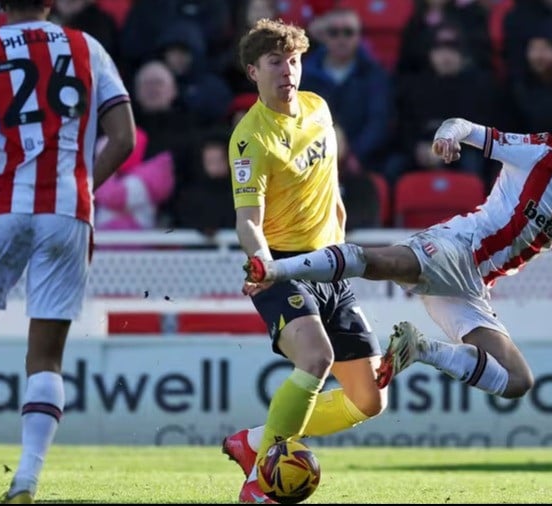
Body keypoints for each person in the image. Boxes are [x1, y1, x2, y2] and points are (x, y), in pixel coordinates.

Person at [244, 90, 552, 402]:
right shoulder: (541, 153)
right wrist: (447, 135)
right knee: (381, 264)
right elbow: (464, 126)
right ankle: (275, 270)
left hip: (474, 287)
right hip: (459, 246)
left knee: (517, 381)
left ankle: (421, 349)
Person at [0, 0, 135, 503]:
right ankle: (24, 482)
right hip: (67, 212)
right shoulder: (88, 48)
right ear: (52, 2)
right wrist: (82, 187)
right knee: (46, 357)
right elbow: (123, 138)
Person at [223, 18, 387, 504]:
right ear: (253, 71)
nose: (287, 70)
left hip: (331, 266)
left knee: (369, 401)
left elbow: (331, 189)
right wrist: (261, 263)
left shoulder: (318, 107)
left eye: (293, 60)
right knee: (317, 358)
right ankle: (260, 483)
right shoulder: (250, 140)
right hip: (283, 268)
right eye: (275, 62)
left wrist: (342, 245)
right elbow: (247, 221)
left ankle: (254, 441)